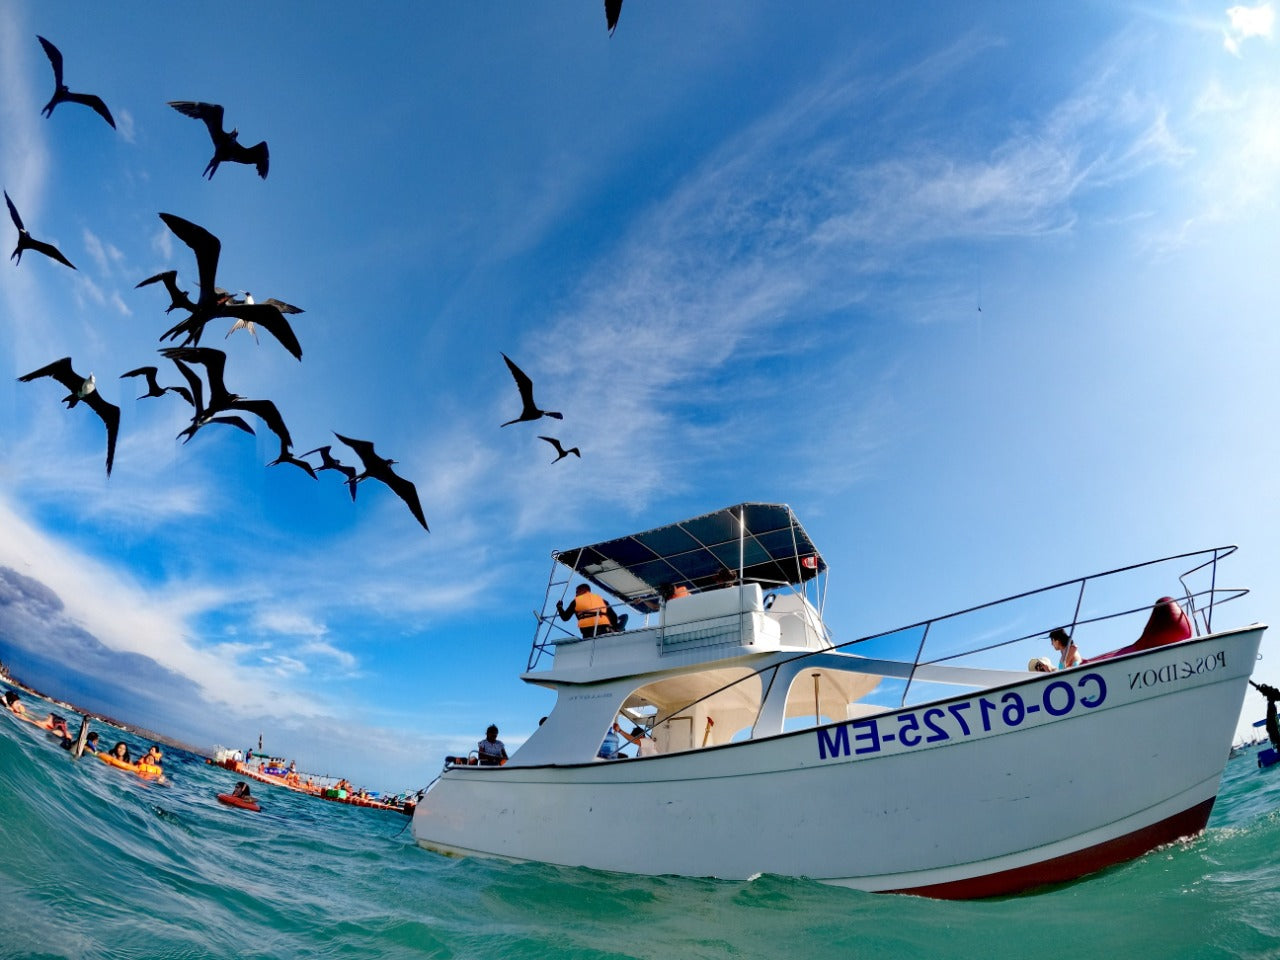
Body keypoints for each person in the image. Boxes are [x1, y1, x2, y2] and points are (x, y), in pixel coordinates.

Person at [557, 584, 626, 636]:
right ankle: (618, 630)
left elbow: (565, 617)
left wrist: (559, 607)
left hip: (587, 634)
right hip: (604, 631)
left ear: (583, 590)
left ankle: (617, 629)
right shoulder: (601, 600)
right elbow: (613, 616)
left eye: (577, 592)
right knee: (625, 617)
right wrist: (613, 627)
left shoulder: (576, 602)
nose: (576, 594)